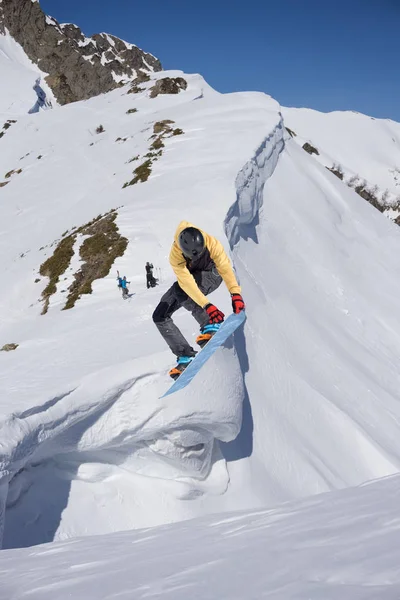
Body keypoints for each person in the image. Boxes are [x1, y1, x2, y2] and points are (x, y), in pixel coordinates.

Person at [153, 221, 245, 379]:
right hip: (190, 282)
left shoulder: (211, 243)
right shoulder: (175, 255)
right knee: (160, 315)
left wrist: (235, 293)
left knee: (179, 290)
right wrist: (207, 306)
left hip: (212, 274)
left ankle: (210, 323)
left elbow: (225, 267)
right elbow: (187, 284)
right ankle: (185, 355)